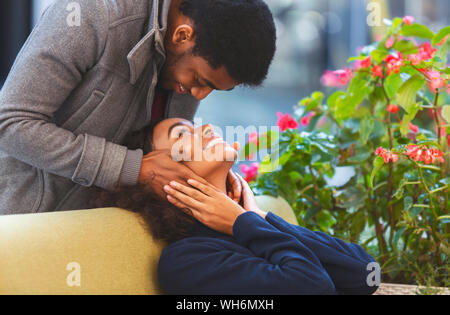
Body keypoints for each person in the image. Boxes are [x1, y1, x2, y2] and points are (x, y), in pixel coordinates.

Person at [0, 0, 276, 214]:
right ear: (182, 35)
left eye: (213, 88)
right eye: (199, 81)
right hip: (20, 228)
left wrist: (218, 177)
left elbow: (163, 157)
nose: (199, 96)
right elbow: (10, 122)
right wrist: (132, 168)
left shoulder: (193, 57)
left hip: (101, 234)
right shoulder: (91, 15)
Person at [98, 118, 380, 295]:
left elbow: (366, 275)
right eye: (182, 134)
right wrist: (242, 223)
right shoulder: (185, 260)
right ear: (155, 177)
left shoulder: (250, 226)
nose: (207, 127)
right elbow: (312, 286)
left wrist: (255, 216)